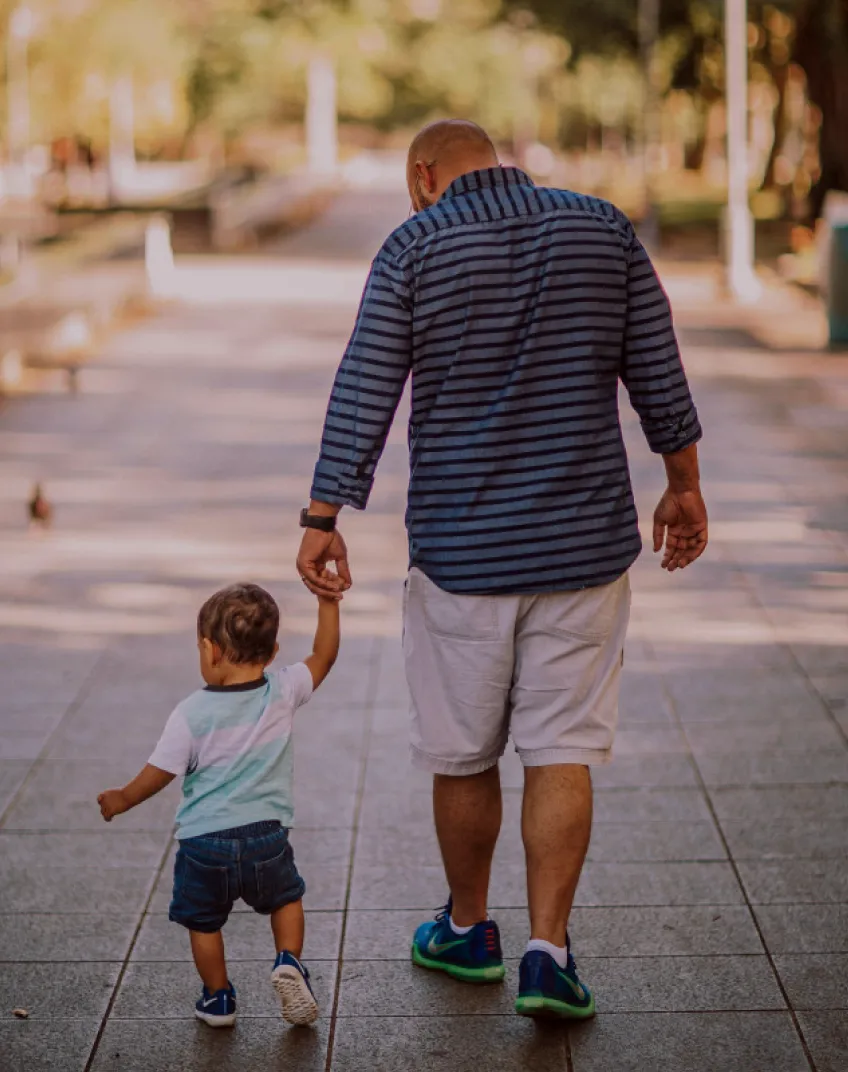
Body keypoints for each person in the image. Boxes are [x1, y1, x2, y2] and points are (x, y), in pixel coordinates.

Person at [296, 119, 707, 1020]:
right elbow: (658, 369)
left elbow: (365, 384)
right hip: (583, 549)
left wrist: (324, 515)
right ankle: (548, 953)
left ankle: (470, 929)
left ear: (422, 176)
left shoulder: (415, 245)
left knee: (464, 750)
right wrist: (683, 485)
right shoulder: (603, 227)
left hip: (461, 555)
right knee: (563, 745)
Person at [97, 581, 340, 1028]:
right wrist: (328, 602)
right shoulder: (282, 691)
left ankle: (219, 996)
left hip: (204, 844)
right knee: (287, 898)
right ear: (272, 652)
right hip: (267, 838)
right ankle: (288, 960)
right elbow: (323, 655)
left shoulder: (191, 712)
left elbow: (161, 771)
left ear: (210, 651)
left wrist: (123, 798)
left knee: (204, 922)